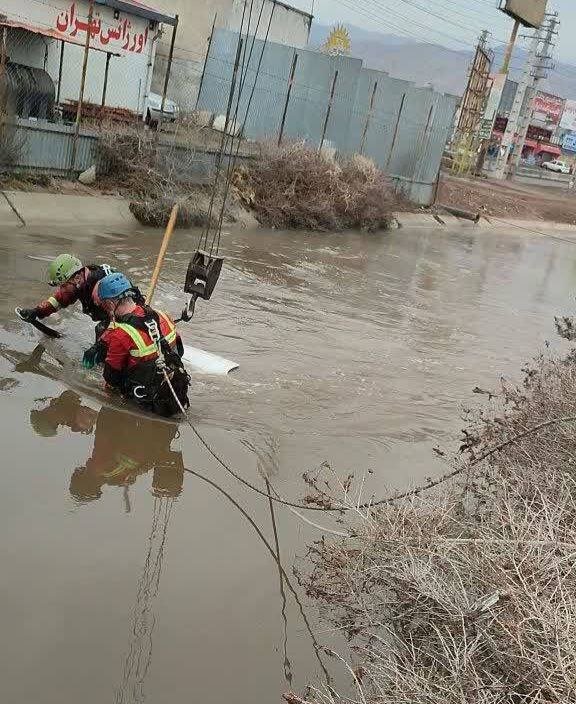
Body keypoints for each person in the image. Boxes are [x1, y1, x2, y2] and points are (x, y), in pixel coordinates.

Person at [30, 391, 185, 503]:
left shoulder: (117, 476)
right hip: (150, 413)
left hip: (164, 427)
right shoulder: (101, 463)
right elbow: (106, 424)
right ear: (81, 475)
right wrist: (112, 398)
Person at [18, 254, 143, 368]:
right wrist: (37, 311)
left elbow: (116, 320)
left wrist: (99, 346)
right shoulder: (81, 279)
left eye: (64, 284)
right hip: (113, 315)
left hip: (129, 318)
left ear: (76, 278)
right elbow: (59, 299)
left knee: (103, 335)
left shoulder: (100, 289)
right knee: (101, 332)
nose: (63, 288)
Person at [98, 272, 190, 418]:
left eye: (104, 306)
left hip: (145, 403)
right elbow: (179, 351)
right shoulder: (164, 316)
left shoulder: (120, 334)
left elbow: (111, 377)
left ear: (110, 304)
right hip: (176, 393)